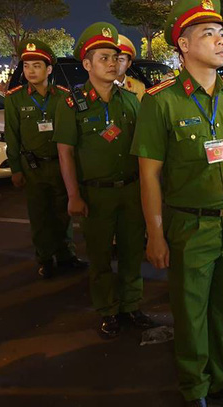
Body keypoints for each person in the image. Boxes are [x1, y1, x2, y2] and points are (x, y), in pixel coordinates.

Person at [131, 0, 223, 407]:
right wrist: (155, 234)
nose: (221, 40)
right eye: (208, 33)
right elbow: (148, 174)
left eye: (221, 32)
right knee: (191, 314)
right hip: (190, 225)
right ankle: (195, 388)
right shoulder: (162, 101)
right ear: (184, 45)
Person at [54, 22, 155, 339]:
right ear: (86, 64)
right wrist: (73, 195)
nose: (112, 63)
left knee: (130, 252)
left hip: (129, 190)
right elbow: (65, 153)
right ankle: (107, 311)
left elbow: (143, 149)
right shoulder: (73, 104)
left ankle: (131, 305)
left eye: (115, 57)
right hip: (95, 195)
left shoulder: (130, 100)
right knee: (99, 257)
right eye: (103, 58)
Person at [4, 39, 87, 279]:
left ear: (49, 69)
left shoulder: (63, 96)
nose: (31, 71)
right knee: (40, 215)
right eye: (27, 66)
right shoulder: (14, 99)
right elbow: (12, 135)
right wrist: (16, 169)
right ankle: (45, 258)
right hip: (34, 167)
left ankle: (66, 256)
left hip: (60, 165)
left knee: (63, 213)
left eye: (37, 66)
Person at [115, 34, 146, 101]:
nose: (116, 63)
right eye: (114, 59)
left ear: (129, 63)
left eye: (121, 60)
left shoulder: (139, 87)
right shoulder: (100, 85)